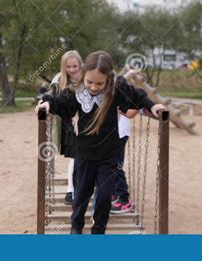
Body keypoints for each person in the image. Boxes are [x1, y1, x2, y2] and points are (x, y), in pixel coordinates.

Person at [36, 51, 166, 234]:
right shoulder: (77, 91)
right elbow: (58, 101)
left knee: (104, 196)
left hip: (109, 154)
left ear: (108, 78)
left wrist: (152, 106)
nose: (94, 87)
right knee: (81, 194)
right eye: (90, 82)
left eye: (99, 83)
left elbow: (137, 95)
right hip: (85, 153)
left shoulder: (115, 88)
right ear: (83, 75)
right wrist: (47, 104)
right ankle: (76, 228)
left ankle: (98, 230)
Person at [49, 50, 82, 205]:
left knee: (87, 157)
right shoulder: (58, 81)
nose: (72, 70)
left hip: (86, 123)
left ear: (80, 64)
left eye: (75, 66)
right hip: (67, 125)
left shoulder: (88, 78)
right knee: (76, 157)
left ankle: (87, 187)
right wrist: (45, 104)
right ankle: (71, 191)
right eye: (68, 66)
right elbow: (52, 100)